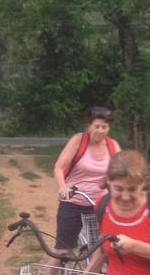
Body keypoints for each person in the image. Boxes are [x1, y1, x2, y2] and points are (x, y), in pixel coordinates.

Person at [51, 106, 119, 255]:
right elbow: (59, 167)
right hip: (73, 200)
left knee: (100, 248)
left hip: (99, 204)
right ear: (88, 125)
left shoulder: (113, 146)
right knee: (63, 249)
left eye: (104, 127)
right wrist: (63, 187)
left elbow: (120, 172)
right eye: (97, 126)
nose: (100, 130)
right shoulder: (78, 141)